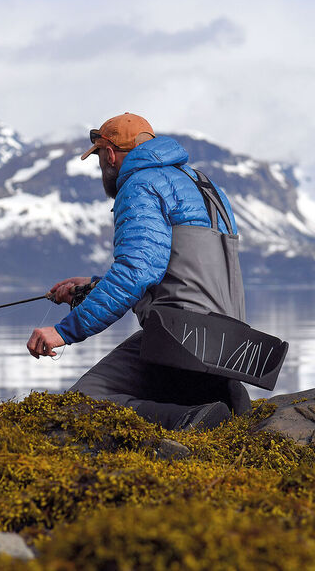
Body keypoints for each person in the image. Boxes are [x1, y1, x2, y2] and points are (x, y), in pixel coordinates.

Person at [26, 113, 250, 431]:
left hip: (181, 337)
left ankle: (189, 419)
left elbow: (137, 271)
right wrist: (90, 287)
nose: (102, 167)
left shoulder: (140, 185)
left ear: (110, 154)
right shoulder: (203, 184)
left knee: (80, 403)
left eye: (100, 158)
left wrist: (63, 332)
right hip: (232, 342)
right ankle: (224, 397)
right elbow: (183, 276)